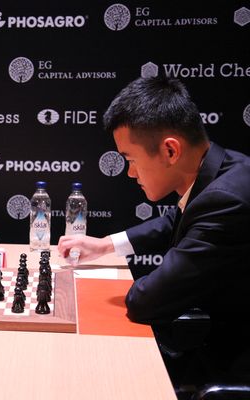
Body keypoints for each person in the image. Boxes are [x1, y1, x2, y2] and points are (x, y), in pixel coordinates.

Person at [58, 76, 250, 387]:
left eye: (131, 159)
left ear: (170, 151)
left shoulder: (226, 202)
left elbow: (146, 301)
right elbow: (176, 220)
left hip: (231, 362)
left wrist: (90, 291)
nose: (130, 173)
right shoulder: (226, 170)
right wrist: (105, 245)